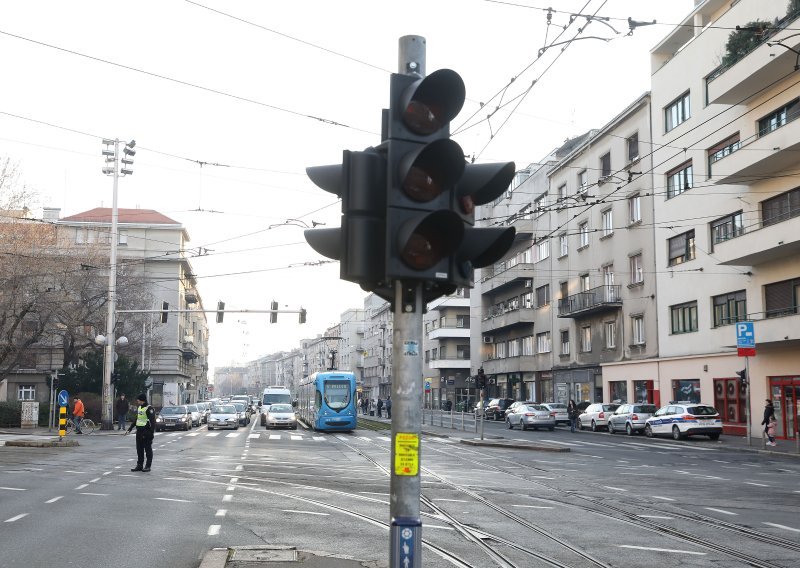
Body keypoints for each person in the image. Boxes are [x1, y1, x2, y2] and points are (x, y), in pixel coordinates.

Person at [125, 393, 156, 472]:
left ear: (142, 400)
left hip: (146, 432)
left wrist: (151, 433)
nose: (137, 401)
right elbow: (137, 420)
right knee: (139, 449)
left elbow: (153, 422)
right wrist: (130, 428)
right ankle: (139, 465)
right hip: (139, 431)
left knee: (148, 450)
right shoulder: (139, 408)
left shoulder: (149, 409)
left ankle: (148, 466)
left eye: (138, 400)